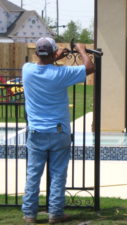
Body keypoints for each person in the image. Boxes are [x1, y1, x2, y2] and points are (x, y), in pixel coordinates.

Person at [21, 37, 95, 224]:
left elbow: (43, 65)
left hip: (36, 132)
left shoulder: (27, 70)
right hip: (58, 131)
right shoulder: (60, 73)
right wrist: (81, 50)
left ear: (36, 53)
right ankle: (55, 213)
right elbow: (89, 68)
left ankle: (30, 214)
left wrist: (53, 58)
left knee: (33, 174)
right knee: (58, 175)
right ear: (53, 52)